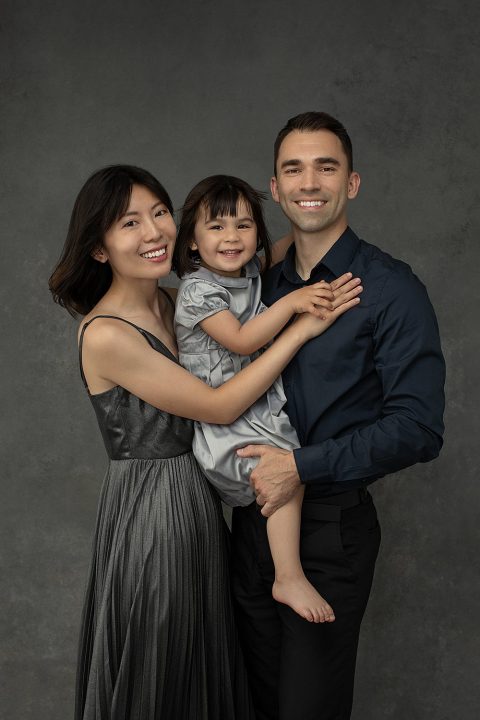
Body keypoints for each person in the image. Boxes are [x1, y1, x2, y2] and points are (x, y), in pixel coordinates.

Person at [48, 164, 359, 720]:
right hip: (153, 510)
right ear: (99, 248)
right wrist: (299, 329)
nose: (153, 233)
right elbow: (219, 405)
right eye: (129, 223)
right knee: (163, 660)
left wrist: (310, 212)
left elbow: (255, 255)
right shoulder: (108, 334)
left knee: (202, 662)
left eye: (160, 213)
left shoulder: (175, 300)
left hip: (195, 498)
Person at [231, 112, 446, 720]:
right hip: (247, 532)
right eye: (293, 168)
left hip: (330, 534)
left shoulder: (391, 289)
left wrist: (299, 465)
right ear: (274, 188)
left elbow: (419, 428)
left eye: (326, 166)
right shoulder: (254, 288)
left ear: (351, 183)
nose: (309, 182)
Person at [173, 174, 363, 624]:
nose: (231, 237)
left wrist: (314, 218)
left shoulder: (249, 270)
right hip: (227, 420)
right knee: (282, 470)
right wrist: (293, 303)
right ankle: (288, 575)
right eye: (216, 227)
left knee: (288, 468)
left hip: (256, 407)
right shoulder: (198, 291)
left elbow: (289, 245)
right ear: (193, 243)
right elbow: (240, 340)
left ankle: (285, 572)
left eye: (243, 225)